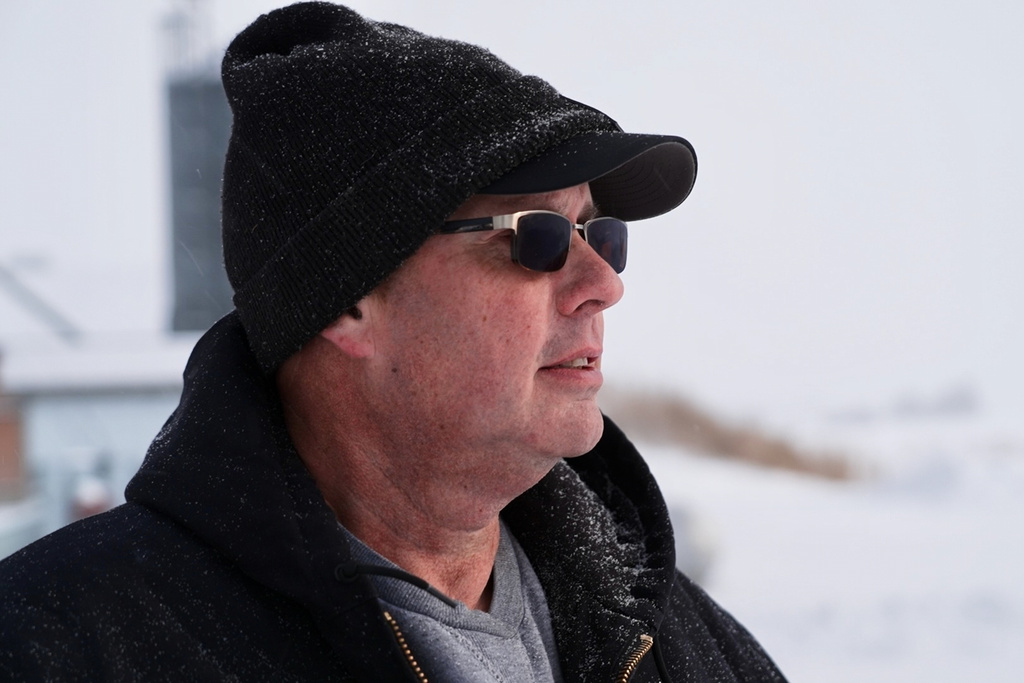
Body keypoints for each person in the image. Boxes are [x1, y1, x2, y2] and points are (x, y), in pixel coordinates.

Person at [0, 3, 787, 681]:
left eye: (599, 232)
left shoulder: (672, 640)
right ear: (347, 298)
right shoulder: (62, 643)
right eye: (539, 237)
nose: (603, 282)